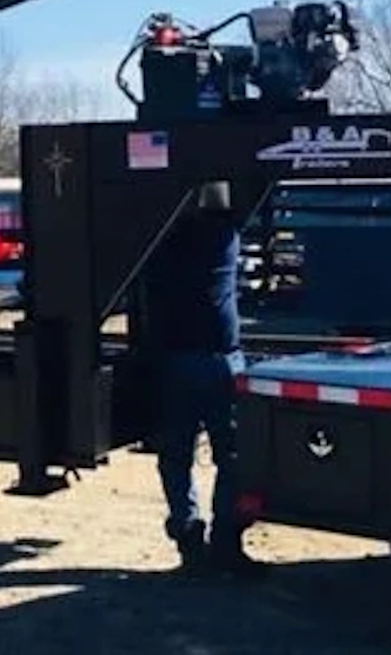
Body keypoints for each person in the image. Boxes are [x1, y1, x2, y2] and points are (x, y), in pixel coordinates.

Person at [141, 179, 264, 576]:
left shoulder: (159, 243)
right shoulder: (223, 237)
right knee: (233, 455)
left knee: (176, 455)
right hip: (220, 361)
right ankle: (226, 540)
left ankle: (189, 536)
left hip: (176, 361)